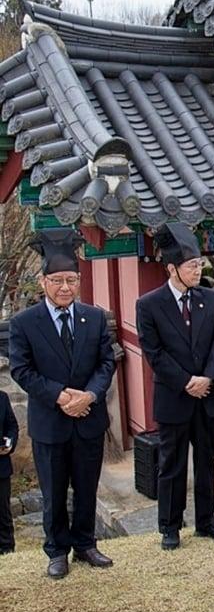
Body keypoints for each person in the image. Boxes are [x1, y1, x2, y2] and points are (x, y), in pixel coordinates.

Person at [8, 229, 117, 579]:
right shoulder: (24, 323)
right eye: (57, 280)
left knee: (87, 485)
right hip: (50, 421)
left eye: (71, 279)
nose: (65, 287)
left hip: (88, 416)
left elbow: (106, 362)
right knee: (54, 491)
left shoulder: (96, 317)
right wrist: (60, 395)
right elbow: (21, 369)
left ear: (80, 280)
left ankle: (86, 543)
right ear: (43, 282)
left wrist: (90, 395)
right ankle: (57, 551)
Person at [135, 223, 214, 551]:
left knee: (206, 459)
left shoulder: (211, 298)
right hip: (174, 395)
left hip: (208, 393)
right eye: (191, 266)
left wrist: (208, 377)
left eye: (199, 264)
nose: (197, 270)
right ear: (172, 269)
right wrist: (185, 381)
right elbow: (154, 352)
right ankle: (170, 525)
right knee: (172, 462)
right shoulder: (149, 304)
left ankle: (206, 520)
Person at [0, 391, 19, 556]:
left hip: (1, 466)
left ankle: (6, 549)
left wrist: (8, 444)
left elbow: (11, 426)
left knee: (3, 510)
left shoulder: (2, 397)